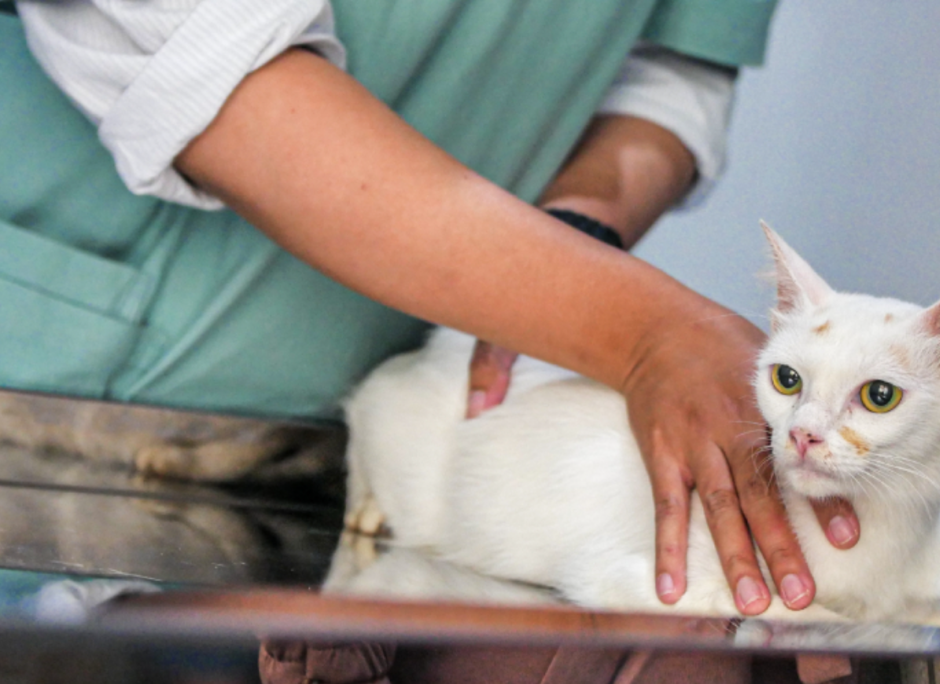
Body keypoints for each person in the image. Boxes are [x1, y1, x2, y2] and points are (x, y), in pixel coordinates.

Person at [3, 0, 858, 616]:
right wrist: (642, 329)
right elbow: (198, 56)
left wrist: (578, 225)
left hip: (332, 477)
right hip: (38, 410)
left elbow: (677, 63)